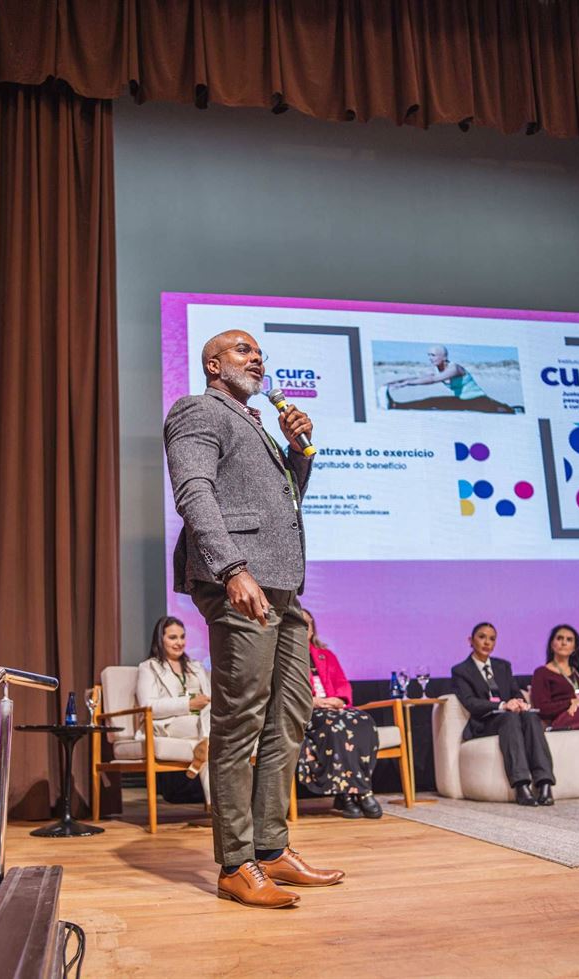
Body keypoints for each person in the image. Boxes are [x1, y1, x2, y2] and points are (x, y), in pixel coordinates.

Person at [164, 329, 344, 910]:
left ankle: (270, 848)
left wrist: (298, 453)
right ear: (213, 364)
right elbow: (194, 492)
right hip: (239, 581)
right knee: (240, 720)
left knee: (289, 715)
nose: (257, 359)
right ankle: (236, 864)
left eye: (260, 353)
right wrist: (231, 568)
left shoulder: (260, 423)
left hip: (283, 589)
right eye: (243, 351)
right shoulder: (197, 410)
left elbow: (287, 504)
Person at [451, 622, 555, 806]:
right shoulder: (461, 670)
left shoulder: (503, 666)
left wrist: (520, 702)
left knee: (531, 716)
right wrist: (503, 705)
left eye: (492, 639)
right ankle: (521, 785)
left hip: (510, 716)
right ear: (470, 640)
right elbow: (470, 702)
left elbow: (515, 691)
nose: (487, 642)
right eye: (482, 637)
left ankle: (545, 783)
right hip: (485, 722)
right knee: (510, 718)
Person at [298, 609, 382, 819]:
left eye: (307, 623)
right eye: (299, 623)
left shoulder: (326, 655)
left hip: (334, 708)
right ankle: (360, 792)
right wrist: (313, 702)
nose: (304, 627)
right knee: (335, 727)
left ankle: (347, 794)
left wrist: (340, 700)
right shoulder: (285, 658)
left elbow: (342, 684)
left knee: (363, 720)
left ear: (312, 629)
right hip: (307, 712)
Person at [135, 616, 211, 789]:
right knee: (213, 732)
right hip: (168, 723)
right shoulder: (149, 667)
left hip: (201, 719)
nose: (179, 642)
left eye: (182, 637)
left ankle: (213, 799)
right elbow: (148, 706)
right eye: (173, 637)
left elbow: (208, 696)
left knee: (211, 727)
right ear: (160, 639)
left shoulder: (196, 666)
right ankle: (218, 802)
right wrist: (188, 704)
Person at [531, 624, 579, 750]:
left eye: (569, 640)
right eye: (559, 638)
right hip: (564, 717)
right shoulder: (541, 673)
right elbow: (541, 708)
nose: (564, 643)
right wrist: (571, 702)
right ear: (552, 644)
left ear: (574, 648)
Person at [386, 345, 514, 413]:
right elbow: (421, 377)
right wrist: (399, 382)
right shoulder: (436, 369)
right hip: (462, 400)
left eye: (433, 355)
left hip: (478, 400)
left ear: (444, 357)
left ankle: (510, 409)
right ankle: (396, 405)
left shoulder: (454, 368)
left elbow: (433, 380)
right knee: (432, 401)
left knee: (502, 410)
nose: (430, 358)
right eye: (429, 355)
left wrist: (407, 383)